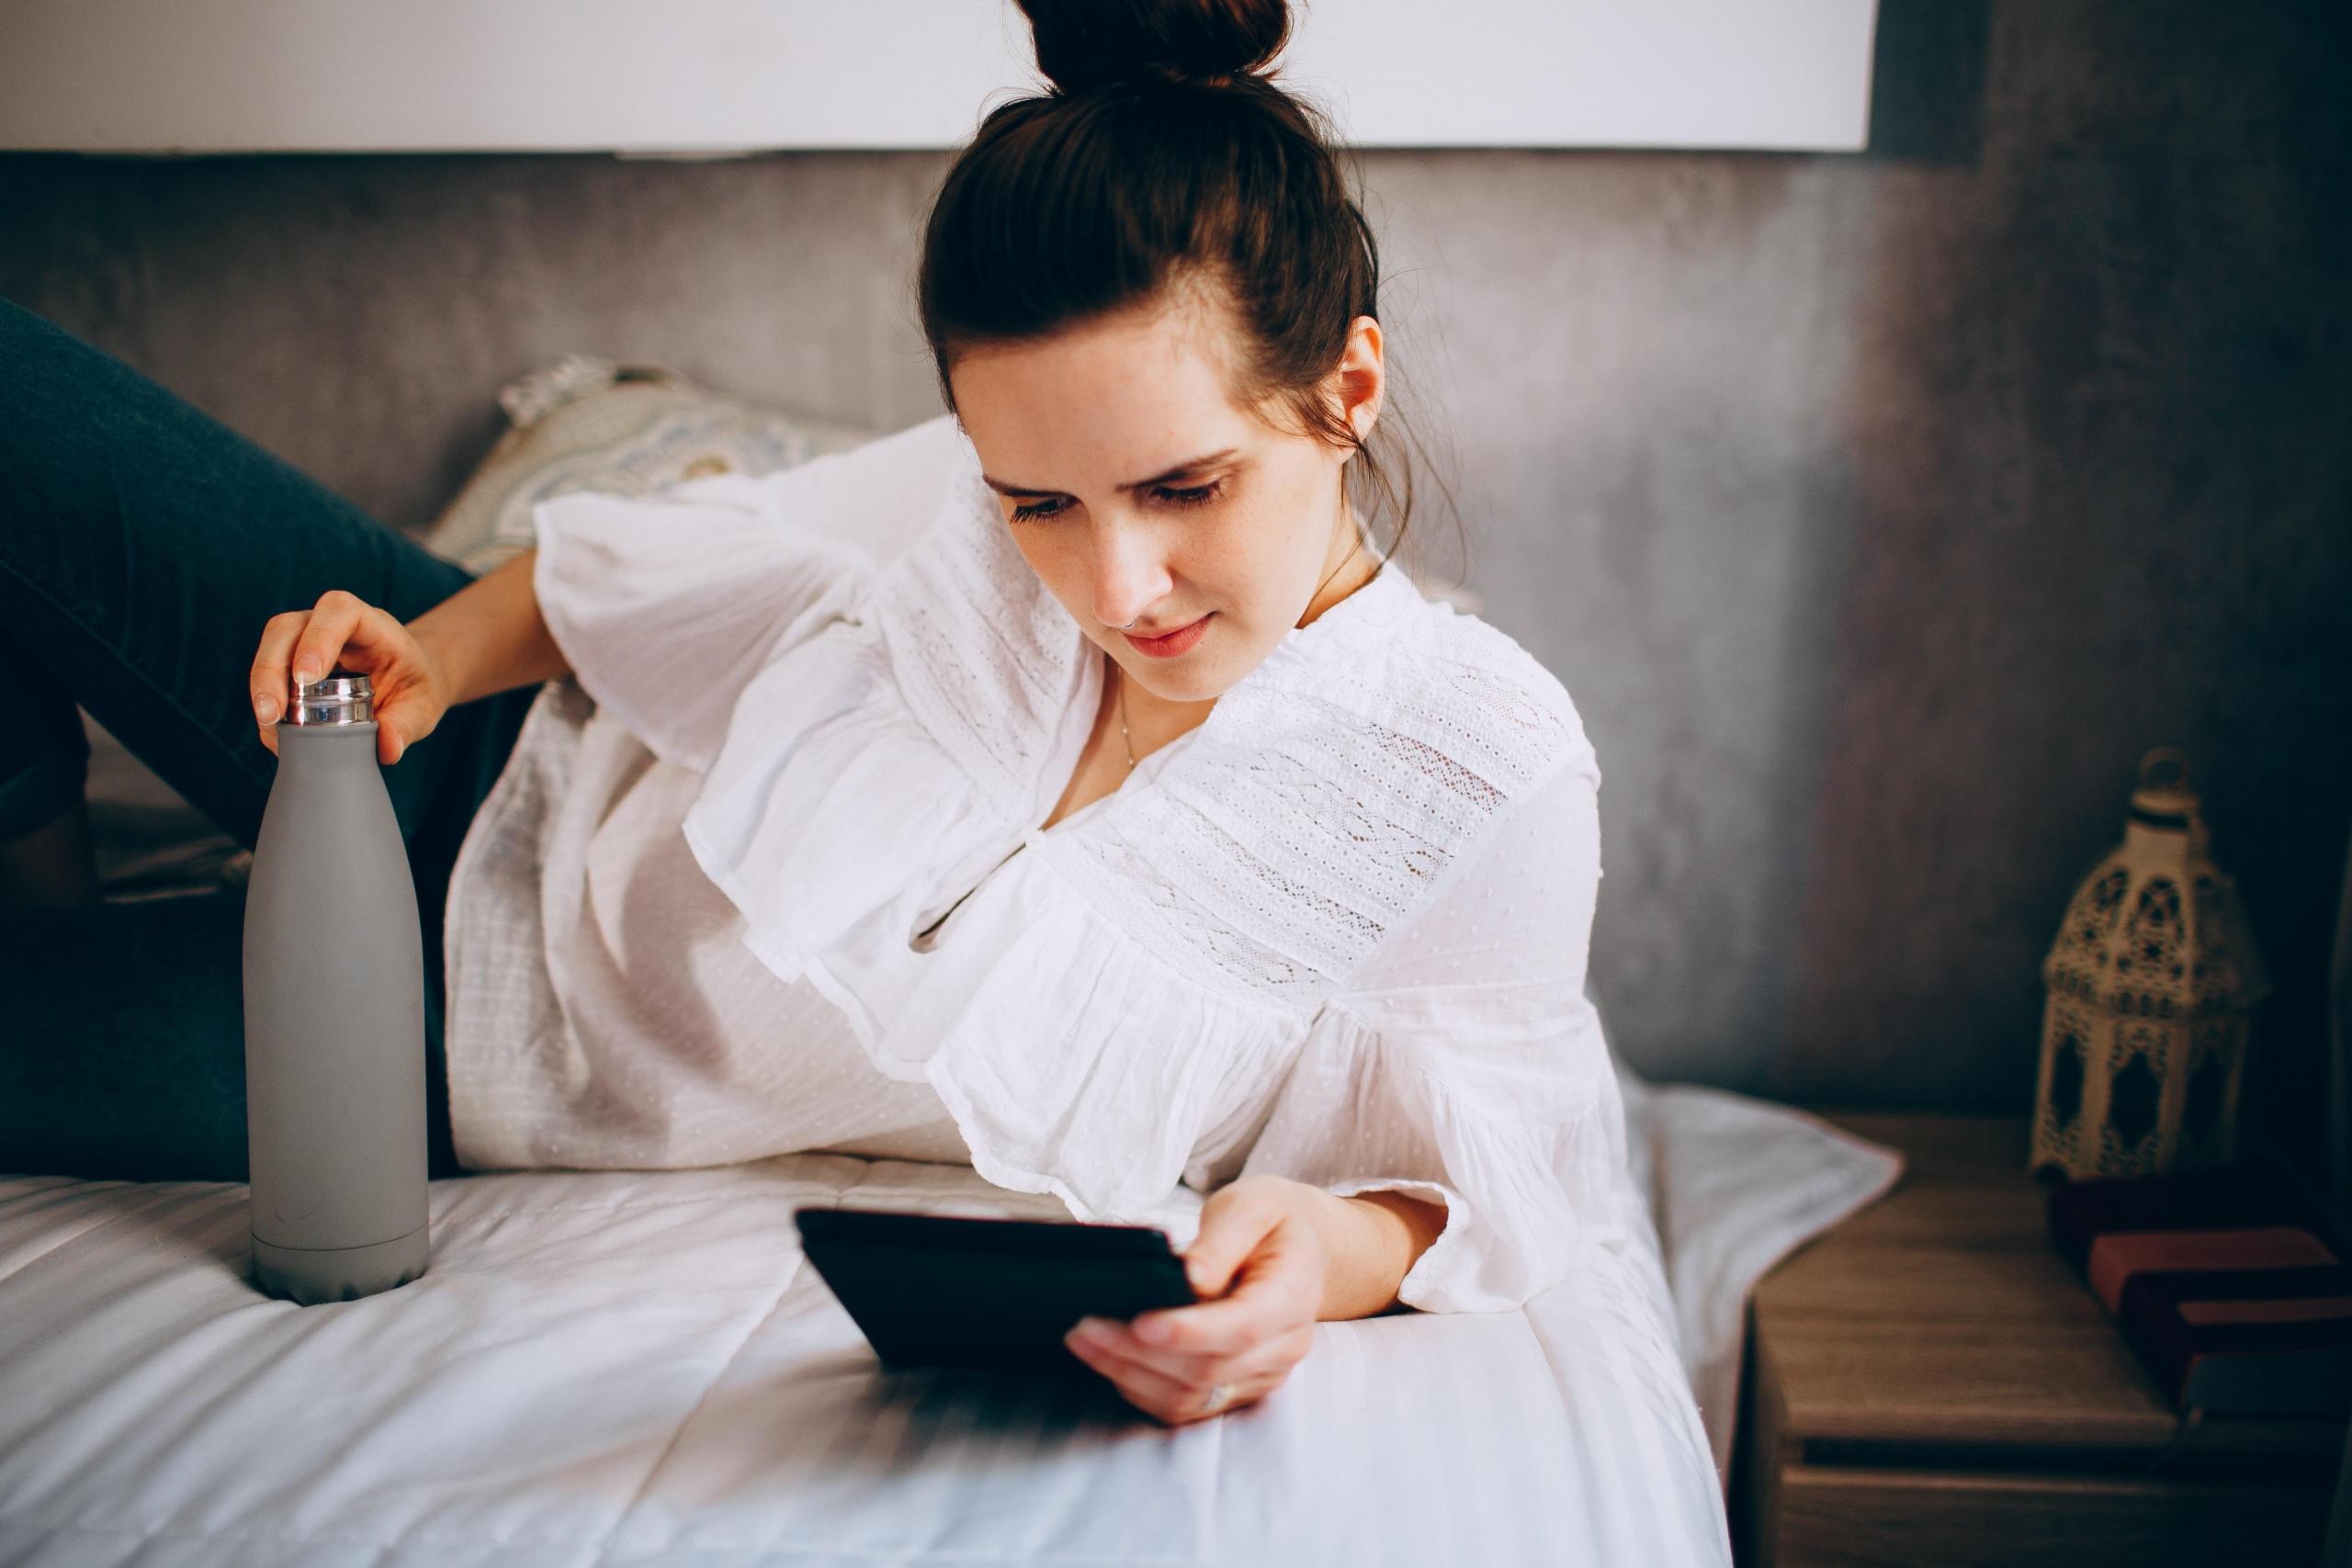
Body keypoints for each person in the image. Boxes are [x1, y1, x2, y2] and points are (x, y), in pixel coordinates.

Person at [0, 0, 1625, 1430]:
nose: (1117, 585)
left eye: (1184, 487)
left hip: (449, 1041)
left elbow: (1484, 1172)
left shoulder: (1478, 768)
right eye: (1039, 504)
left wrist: (1312, 1260)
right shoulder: (963, 504)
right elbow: (647, 582)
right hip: (483, 754)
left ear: (1347, 390)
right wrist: (425, 653)